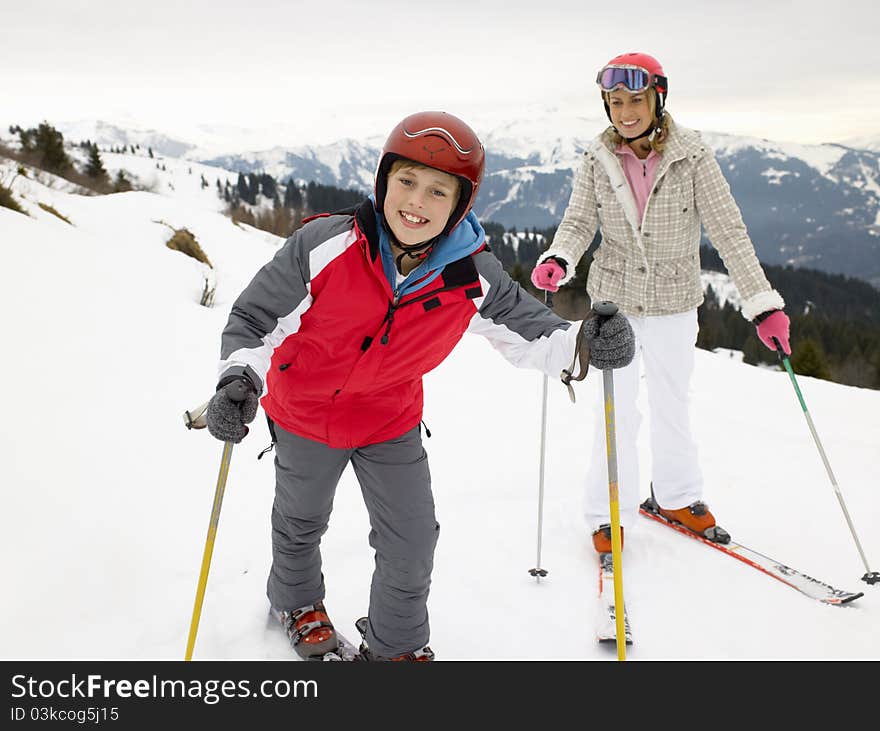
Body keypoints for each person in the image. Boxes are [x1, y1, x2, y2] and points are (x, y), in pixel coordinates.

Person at [205, 111, 636, 661]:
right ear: (383, 181)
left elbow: (534, 332)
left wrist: (587, 345)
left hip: (389, 419)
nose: (416, 201)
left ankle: (396, 648)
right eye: (405, 181)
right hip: (306, 412)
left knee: (411, 541)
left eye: (438, 191)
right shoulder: (325, 246)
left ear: (460, 204)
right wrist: (237, 380)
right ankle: (295, 601)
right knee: (301, 520)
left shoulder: (470, 273)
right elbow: (255, 320)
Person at [530, 53, 792, 554]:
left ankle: (675, 496)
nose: (626, 111)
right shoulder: (597, 156)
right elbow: (580, 221)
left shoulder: (693, 155)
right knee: (616, 410)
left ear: (658, 99)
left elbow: (728, 231)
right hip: (614, 305)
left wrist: (761, 303)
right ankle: (608, 511)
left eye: (636, 99)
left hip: (674, 301)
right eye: (616, 101)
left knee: (673, 403)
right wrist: (560, 257)